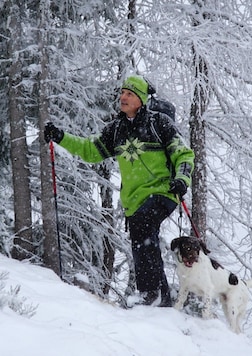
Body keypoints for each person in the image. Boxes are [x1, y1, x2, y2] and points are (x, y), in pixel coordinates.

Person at [44, 75, 195, 307]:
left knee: (144, 227)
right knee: (142, 239)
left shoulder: (159, 124)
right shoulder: (117, 130)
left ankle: (149, 292)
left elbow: (183, 154)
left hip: (164, 191)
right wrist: (61, 138)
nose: (123, 97)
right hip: (134, 199)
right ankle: (163, 300)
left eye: (130, 94)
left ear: (141, 100)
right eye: (123, 92)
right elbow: (90, 150)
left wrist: (182, 179)